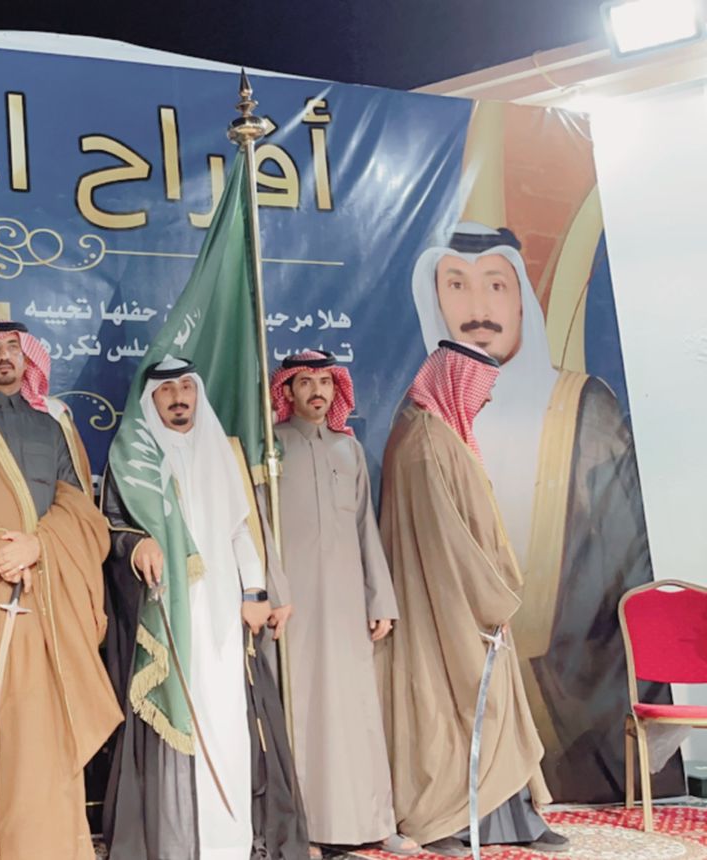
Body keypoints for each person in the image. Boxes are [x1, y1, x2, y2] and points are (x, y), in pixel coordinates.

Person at [409, 223, 663, 799]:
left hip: (574, 696)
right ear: (434, 300)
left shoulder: (583, 408)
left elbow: (621, 567)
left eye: (496, 286)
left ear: (523, 300)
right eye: (457, 285)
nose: (479, 309)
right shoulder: (426, 427)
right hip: (462, 655)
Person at [100, 356, 306, 860]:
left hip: (223, 617)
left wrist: (254, 592)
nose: (179, 399)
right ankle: (177, 841)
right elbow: (111, 528)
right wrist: (138, 545)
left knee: (230, 720)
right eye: (167, 391)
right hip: (167, 614)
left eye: (186, 388)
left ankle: (229, 841)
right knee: (180, 716)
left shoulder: (221, 450)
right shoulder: (133, 458)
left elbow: (240, 530)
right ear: (150, 401)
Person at [0, 320, 120, 860]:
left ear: (28, 358)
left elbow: (80, 511)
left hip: (45, 599)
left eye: (13, 347)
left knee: (39, 736)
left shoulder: (52, 426)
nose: (3, 356)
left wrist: (39, 547)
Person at [378, 340, 566, 856]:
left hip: (467, 603)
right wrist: (492, 600)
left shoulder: (438, 434)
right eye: (481, 388)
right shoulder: (425, 442)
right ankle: (445, 821)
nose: (486, 399)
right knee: (455, 711)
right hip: (447, 607)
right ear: (454, 381)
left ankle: (516, 821)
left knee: (492, 707)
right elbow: (447, 541)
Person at [269, 351, 414, 857]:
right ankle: (305, 829)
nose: (317, 391)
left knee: (358, 714)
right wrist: (273, 592)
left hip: (349, 605)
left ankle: (375, 822)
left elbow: (364, 529)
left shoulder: (348, 450)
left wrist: (381, 599)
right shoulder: (271, 449)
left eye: (326, 382)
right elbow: (259, 526)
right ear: (287, 391)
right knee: (304, 713)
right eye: (305, 382)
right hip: (294, 609)